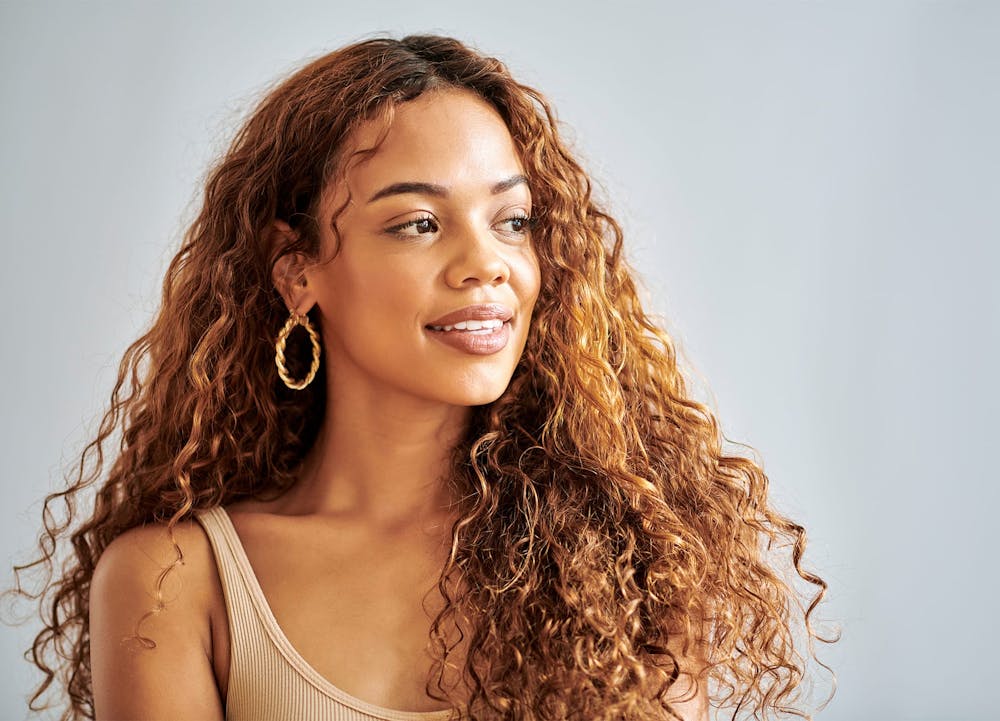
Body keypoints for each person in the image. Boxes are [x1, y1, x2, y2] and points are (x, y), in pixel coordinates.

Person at [8, 34, 835, 721]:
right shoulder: (172, 582)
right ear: (296, 272)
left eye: (514, 220)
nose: (488, 264)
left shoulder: (634, 560)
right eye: (418, 223)